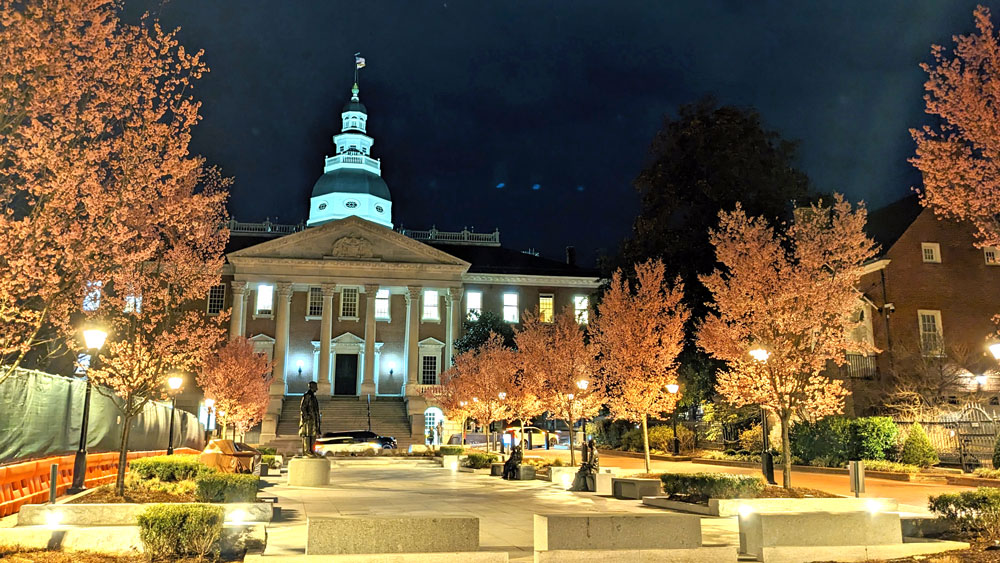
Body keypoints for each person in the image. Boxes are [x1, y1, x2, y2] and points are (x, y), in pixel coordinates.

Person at [299, 381, 321, 457]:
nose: (317, 388)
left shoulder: (313, 397)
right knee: (307, 435)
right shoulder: (307, 396)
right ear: (312, 387)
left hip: (313, 420)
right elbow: (303, 407)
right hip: (308, 421)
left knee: (313, 435)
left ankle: (312, 450)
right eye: (316, 386)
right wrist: (307, 417)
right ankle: (307, 451)